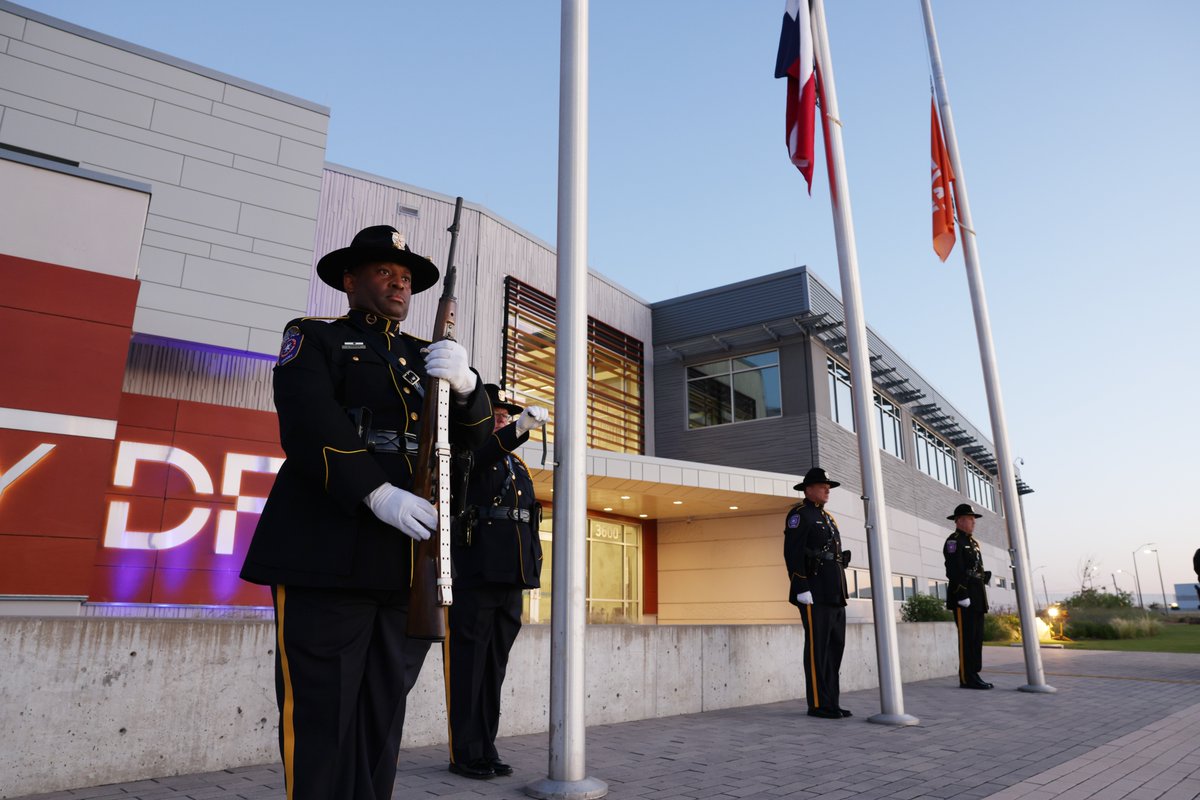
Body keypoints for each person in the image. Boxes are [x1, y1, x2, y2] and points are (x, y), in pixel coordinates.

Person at [240, 225, 493, 800]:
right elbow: (307, 421)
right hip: (327, 551)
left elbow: (480, 439)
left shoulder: (421, 358)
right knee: (324, 717)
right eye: (384, 272)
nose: (399, 283)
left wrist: (468, 386)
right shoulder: (314, 337)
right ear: (350, 281)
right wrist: (375, 492)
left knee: (382, 719)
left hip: (402, 565)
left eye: (405, 277)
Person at [446, 384, 548, 779]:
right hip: (477, 574)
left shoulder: (515, 465)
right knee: (469, 666)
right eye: (498, 413)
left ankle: (486, 747)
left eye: (508, 413)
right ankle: (463, 753)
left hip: (512, 576)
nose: (504, 417)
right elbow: (481, 457)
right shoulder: (464, 451)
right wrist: (518, 430)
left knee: (493, 669)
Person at [783, 467, 852, 720]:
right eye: (823, 486)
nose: (827, 490)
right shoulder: (799, 515)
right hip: (814, 592)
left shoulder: (828, 518)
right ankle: (818, 704)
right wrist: (801, 587)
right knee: (818, 649)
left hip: (834, 592)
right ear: (809, 489)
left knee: (835, 648)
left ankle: (831, 701)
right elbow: (792, 553)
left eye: (828, 486)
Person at [943, 502, 993, 690]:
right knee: (966, 638)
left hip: (977, 595)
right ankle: (966, 677)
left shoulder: (973, 543)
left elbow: (975, 568)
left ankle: (975, 673)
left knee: (976, 637)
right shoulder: (953, 541)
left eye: (973, 519)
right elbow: (953, 570)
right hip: (963, 596)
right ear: (960, 521)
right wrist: (962, 593)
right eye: (970, 519)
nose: (973, 522)